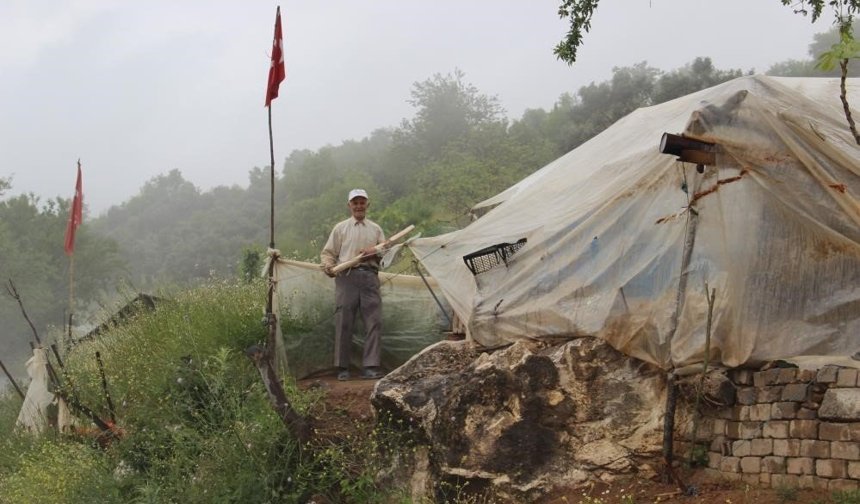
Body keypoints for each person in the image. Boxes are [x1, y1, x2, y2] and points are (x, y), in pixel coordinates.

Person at [320, 189, 386, 381]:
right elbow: (328, 253)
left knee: (374, 321)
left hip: (369, 278)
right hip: (346, 277)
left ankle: (371, 366)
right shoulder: (340, 228)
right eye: (355, 203)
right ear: (349, 205)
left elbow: (386, 254)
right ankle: (342, 367)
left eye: (362, 202)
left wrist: (373, 252)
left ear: (367, 204)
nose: (358, 206)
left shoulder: (375, 229)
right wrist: (328, 266)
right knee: (344, 321)